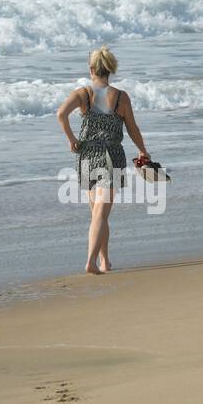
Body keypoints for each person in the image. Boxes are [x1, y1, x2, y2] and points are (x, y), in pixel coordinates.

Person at [56, 45, 150, 274]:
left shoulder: (83, 94)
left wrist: (71, 139)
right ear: (110, 69)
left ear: (91, 69)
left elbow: (61, 114)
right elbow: (132, 128)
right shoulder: (120, 97)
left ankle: (104, 261)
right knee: (101, 212)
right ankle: (90, 262)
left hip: (86, 155)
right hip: (111, 156)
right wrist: (143, 150)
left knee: (98, 212)